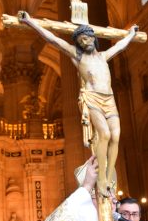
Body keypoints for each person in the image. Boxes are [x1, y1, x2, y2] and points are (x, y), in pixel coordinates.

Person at [19, 11, 137, 197]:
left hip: (109, 98)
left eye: (87, 38)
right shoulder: (78, 57)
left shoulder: (103, 56)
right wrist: (30, 22)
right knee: (104, 134)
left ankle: (107, 174)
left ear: (93, 39)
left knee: (116, 135)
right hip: (92, 97)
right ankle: (103, 179)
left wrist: (131, 34)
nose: (84, 42)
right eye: (80, 40)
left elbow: (120, 46)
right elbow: (54, 40)